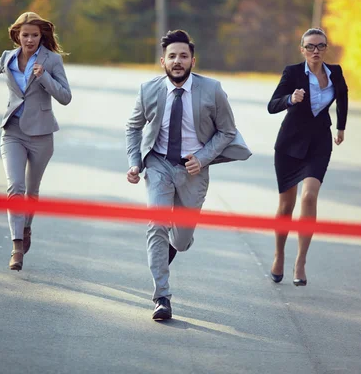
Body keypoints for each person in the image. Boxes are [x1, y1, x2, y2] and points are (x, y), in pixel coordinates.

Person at [126, 30, 251, 320]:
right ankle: (161, 297)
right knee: (156, 224)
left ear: (193, 59)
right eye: (172, 56)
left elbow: (227, 131)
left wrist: (203, 158)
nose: (178, 61)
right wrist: (135, 162)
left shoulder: (212, 90)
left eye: (183, 56)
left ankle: (172, 246)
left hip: (194, 170)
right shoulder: (148, 90)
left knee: (181, 241)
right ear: (162, 61)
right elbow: (133, 127)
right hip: (159, 164)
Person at [0, 12, 72, 271]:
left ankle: (26, 226)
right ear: (17, 35)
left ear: (41, 36)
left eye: (34, 35)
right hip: (13, 131)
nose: (29, 39)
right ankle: (17, 246)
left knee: (31, 192)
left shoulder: (52, 60)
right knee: (15, 188)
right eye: (25, 35)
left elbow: (65, 97)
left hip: (41, 136)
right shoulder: (7, 58)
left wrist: (44, 77)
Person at [267, 28, 348, 286]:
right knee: (286, 206)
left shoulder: (335, 72)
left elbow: (343, 97)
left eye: (321, 46)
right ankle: (279, 254)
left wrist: (341, 127)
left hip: (319, 142)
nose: (316, 51)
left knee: (309, 196)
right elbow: (272, 105)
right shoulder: (292, 72)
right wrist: (291, 99)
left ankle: (300, 261)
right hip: (289, 144)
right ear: (302, 49)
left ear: (326, 48)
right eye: (310, 46)